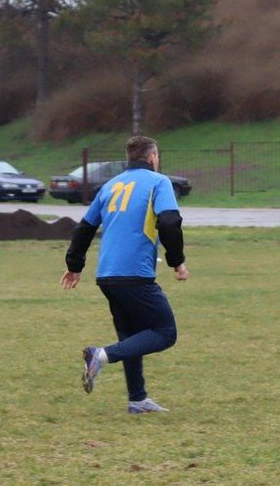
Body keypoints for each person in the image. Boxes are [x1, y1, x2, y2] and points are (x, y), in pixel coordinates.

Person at [60, 135, 188, 414]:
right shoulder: (159, 182)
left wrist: (74, 266)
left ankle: (137, 399)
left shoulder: (110, 185)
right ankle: (101, 355)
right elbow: (169, 221)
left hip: (107, 275)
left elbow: (84, 227)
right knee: (165, 332)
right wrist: (177, 261)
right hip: (135, 274)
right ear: (152, 157)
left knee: (131, 335)